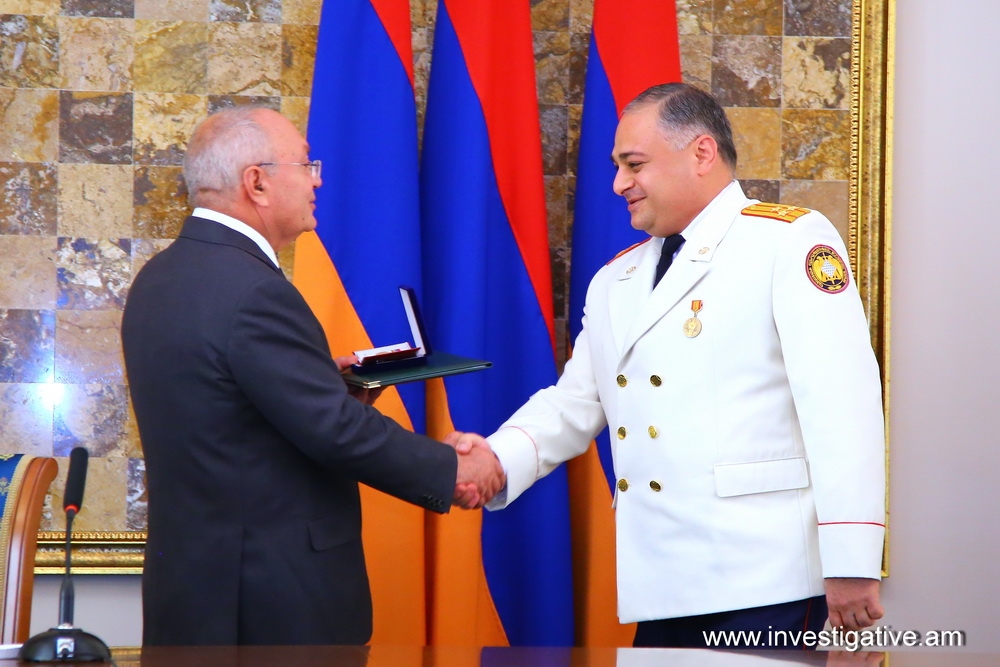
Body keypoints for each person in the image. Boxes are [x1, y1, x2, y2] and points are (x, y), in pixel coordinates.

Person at [468, 83, 886, 648]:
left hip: (768, 581)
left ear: (702, 153)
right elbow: (575, 402)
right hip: (662, 583)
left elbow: (843, 408)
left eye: (634, 164)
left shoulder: (787, 242)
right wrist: (495, 459)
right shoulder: (615, 279)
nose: (618, 184)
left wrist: (852, 560)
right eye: (617, 167)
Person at [121, 106, 504, 646]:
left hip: (189, 596)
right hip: (270, 608)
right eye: (306, 164)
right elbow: (336, 431)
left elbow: (226, 413)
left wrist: (323, 382)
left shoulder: (157, 279)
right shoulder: (255, 291)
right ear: (256, 182)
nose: (317, 179)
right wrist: (454, 470)